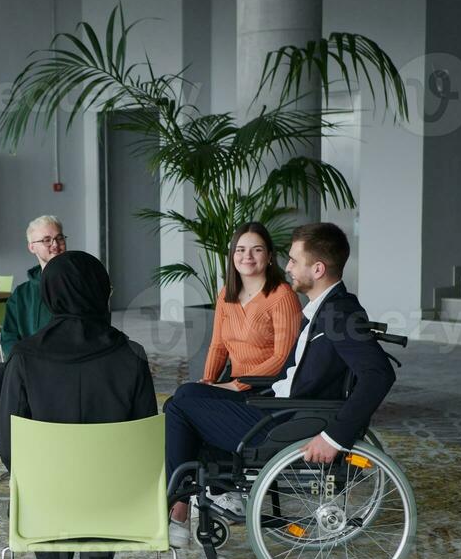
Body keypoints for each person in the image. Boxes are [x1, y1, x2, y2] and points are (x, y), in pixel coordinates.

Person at [163, 223, 395, 542]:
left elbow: (379, 374)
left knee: (179, 409)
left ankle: (179, 506)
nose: (287, 267)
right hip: (277, 403)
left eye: (294, 261)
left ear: (317, 268)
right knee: (188, 393)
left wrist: (335, 437)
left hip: (286, 421)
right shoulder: (324, 308)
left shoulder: (339, 313)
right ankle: (209, 495)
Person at [0, 252, 158, 559]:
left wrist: (33, 472)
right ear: (100, 292)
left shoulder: (25, 356)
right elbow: (146, 440)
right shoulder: (130, 354)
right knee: (108, 478)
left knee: (39, 487)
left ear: (51, 294)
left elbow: (6, 439)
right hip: (116, 503)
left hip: (47, 500)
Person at [161, 222, 302, 539]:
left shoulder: (282, 297)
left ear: (268, 257)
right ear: (232, 255)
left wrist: (234, 385)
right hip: (234, 385)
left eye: (256, 249)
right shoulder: (227, 294)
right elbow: (218, 345)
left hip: (265, 392)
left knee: (180, 404)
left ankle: (181, 505)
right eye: (240, 249)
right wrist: (209, 380)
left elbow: (283, 360)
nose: (247, 256)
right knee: (182, 399)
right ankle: (200, 496)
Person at [0, 215, 64, 434]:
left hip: (64, 367)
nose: (55, 245)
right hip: (23, 365)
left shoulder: (80, 286)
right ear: (32, 247)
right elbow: (8, 335)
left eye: (59, 238)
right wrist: (20, 363)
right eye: (46, 240)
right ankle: (18, 448)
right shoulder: (22, 293)